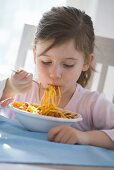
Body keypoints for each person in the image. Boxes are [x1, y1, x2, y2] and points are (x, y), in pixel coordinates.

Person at [0, 6, 114, 149]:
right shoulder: (22, 91)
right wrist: (9, 87)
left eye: (67, 64)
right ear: (35, 55)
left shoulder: (92, 104)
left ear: (86, 62)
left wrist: (84, 137)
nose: (55, 74)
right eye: (46, 62)